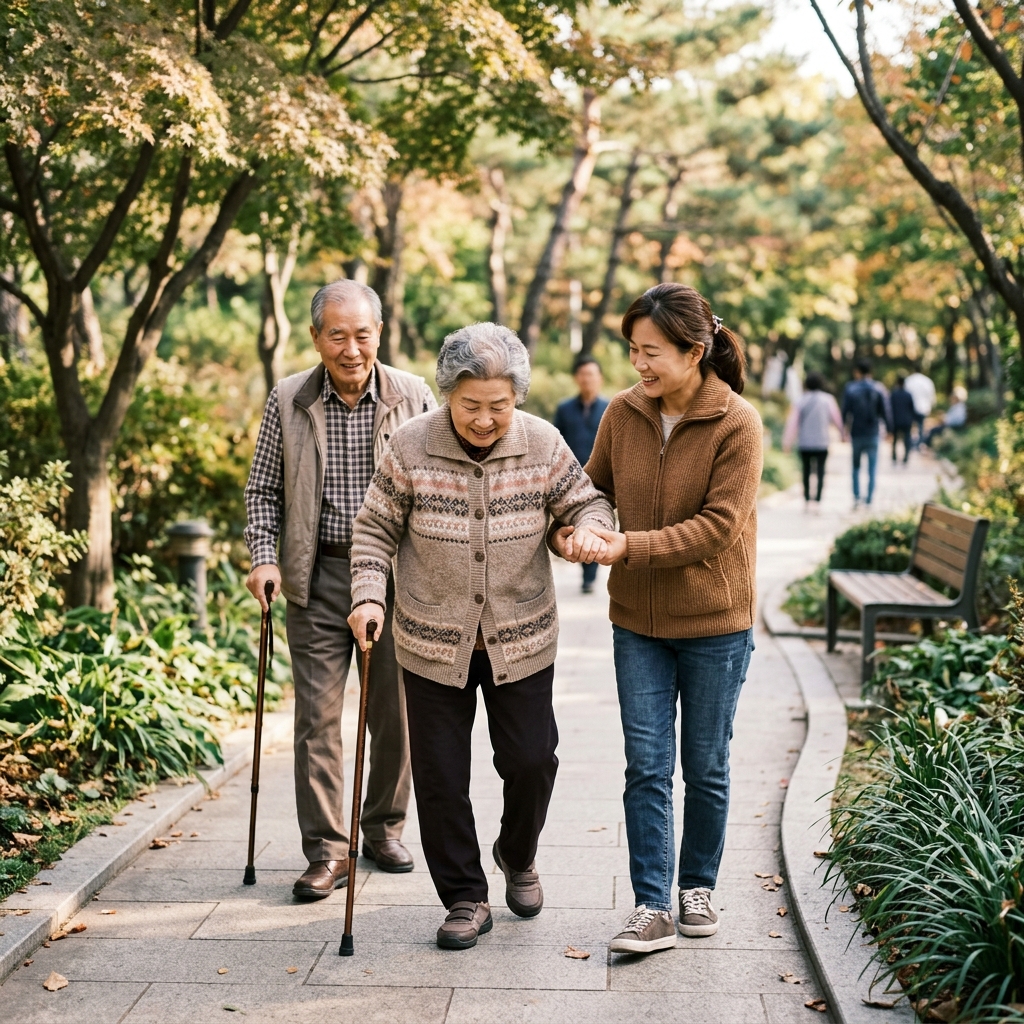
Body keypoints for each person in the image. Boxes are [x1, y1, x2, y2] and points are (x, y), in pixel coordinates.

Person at [347, 323, 614, 951]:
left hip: (520, 637)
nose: (486, 419)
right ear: (447, 395)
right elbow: (374, 532)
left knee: (531, 761)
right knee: (440, 776)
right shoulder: (411, 446)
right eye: (472, 406)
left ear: (516, 396)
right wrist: (366, 596)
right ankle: (465, 896)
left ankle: (517, 854)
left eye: (500, 405)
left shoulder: (543, 443)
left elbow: (586, 503)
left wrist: (589, 532)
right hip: (429, 638)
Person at [553, 283, 761, 954]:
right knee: (646, 766)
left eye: (651, 353)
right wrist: (580, 528)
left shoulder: (737, 423)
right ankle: (651, 904)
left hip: (714, 625)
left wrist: (624, 546)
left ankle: (696, 885)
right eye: (632, 351)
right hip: (637, 622)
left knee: (704, 766)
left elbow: (719, 528)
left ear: (694, 352)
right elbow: (596, 489)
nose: (639, 365)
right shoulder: (623, 413)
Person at [243, 280, 437, 900]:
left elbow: (439, 488)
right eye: (337, 335)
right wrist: (265, 558)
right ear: (316, 337)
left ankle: (382, 827)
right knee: (317, 720)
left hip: (395, 579)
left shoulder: (413, 397)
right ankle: (328, 850)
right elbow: (261, 492)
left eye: (363, 334)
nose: (351, 349)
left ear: (380, 334)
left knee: (395, 715)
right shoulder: (288, 398)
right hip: (316, 575)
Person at [553, 355, 610, 593]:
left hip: (601, 476)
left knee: (596, 520)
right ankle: (580, 561)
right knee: (572, 522)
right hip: (572, 477)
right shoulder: (565, 409)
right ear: (577, 378)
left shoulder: (610, 408)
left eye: (592, 375)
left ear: (600, 378)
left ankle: (590, 575)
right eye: (583, 374)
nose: (587, 379)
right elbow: (556, 443)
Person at [782, 371, 843, 510]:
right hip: (822, 442)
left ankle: (807, 500)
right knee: (821, 471)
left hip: (805, 443)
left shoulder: (801, 400)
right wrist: (843, 434)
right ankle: (818, 501)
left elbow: (793, 423)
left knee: (806, 471)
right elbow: (837, 419)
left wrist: (787, 442)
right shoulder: (828, 400)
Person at [841, 359, 889, 508]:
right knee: (872, 467)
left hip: (857, 432)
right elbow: (886, 411)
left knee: (856, 466)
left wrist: (843, 430)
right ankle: (869, 499)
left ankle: (856, 497)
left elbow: (845, 412)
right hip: (874, 432)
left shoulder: (850, 388)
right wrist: (890, 429)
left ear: (857, 372)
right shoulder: (879, 388)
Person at [903, 369, 936, 448]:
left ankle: (909, 444)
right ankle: (919, 444)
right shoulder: (927, 381)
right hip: (923, 407)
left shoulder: (909, 380)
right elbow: (931, 395)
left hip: (910, 408)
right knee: (920, 426)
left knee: (910, 427)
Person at [889, 376, 916, 464]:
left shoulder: (894, 394)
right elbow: (912, 408)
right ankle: (906, 457)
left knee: (895, 439)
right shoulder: (908, 394)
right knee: (907, 438)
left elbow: (890, 408)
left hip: (896, 420)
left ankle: (894, 456)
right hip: (906, 420)